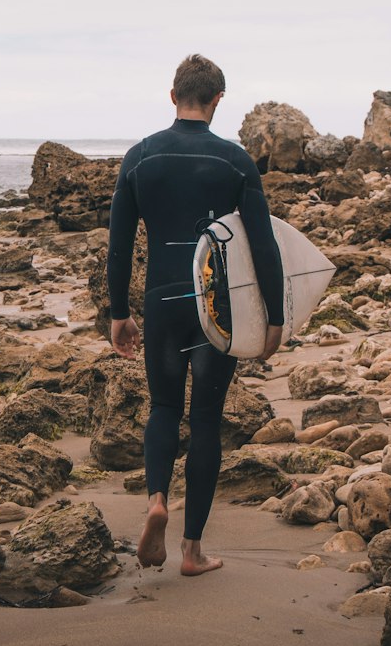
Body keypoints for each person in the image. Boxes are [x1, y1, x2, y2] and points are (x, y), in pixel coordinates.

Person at [107, 54, 284, 576]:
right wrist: (273, 317)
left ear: (172, 95)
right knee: (206, 418)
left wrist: (119, 313)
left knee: (163, 407)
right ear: (217, 100)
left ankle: (157, 500)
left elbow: (118, 244)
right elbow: (265, 243)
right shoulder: (234, 161)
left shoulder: (140, 157)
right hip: (216, 307)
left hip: (161, 301)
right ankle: (192, 552)